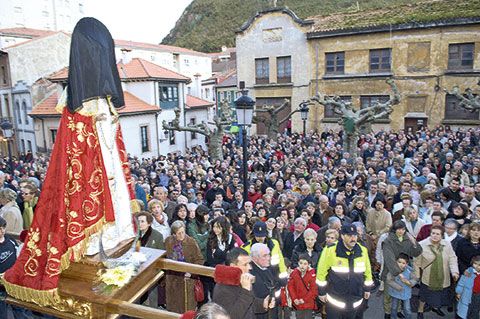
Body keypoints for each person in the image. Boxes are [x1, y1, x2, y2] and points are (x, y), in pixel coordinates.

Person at [3, 17, 139, 304]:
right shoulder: (75, 104)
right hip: (91, 177)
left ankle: (110, 242)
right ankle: (90, 247)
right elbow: (79, 155)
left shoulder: (104, 100)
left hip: (109, 169)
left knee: (114, 212)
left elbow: (112, 143)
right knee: (90, 205)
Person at [317, 224, 373, 318]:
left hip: (355, 300)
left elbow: (367, 272)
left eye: (354, 235)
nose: (353, 238)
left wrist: (367, 289)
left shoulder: (362, 251)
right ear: (342, 236)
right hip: (335, 301)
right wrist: (321, 292)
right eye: (349, 235)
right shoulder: (330, 250)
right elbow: (321, 272)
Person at [212, 248, 273, 319]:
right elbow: (232, 316)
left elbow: (249, 305)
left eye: (249, 263)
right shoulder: (222, 288)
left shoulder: (241, 279)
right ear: (233, 266)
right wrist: (246, 291)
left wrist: (263, 304)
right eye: (245, 264)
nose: (250, 267)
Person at [415, 225, 459, 318]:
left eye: (437, 234)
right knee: (424, 295)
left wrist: (454, 272)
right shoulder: (422, 244)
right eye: (433, 233)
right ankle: (420, 310)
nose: (434, 235)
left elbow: (452, 258)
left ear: (442, 235)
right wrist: (417, 275)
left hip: (442, 276)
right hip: (427, 276)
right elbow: (416, 262)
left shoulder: (447, 244)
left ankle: (435, 308)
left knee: (438, 295)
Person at [165, 220, 205, 313]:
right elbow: (165, 257)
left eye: (183, 232)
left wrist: (191, 272)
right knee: (173, 307)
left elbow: (199, 260)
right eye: (179, 233)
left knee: (187, 308)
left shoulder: (191, 242)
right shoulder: (168, 241)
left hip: (187, 280)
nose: (181, 235)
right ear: (174, 234)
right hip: (172, 279)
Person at [0, 216, 31, 318]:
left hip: (13, 282)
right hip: (1, 286)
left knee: (19, 310)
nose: (1, 231)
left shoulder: (11, 241)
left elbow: (18, 259)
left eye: (3, 228)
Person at [250, 243, 281, 319]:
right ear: (254, 258)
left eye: (269, 255)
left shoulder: (270, 268)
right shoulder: (250, 273)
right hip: (259, 314)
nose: (268, 258)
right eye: (264, 256)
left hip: (272, 311)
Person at [386, 253, 418, 319]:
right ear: (396, 261)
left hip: (406, 292)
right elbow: (389, 280)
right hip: (395, 291)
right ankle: (393, 317)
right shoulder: (393, 270)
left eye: (403, 263)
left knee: (407, 308)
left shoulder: (409, 271)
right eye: (399, 262)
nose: (401, 264)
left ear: (406, 264)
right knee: (394, 306)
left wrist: (408, 282)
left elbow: (415, 279)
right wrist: (398, 287)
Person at [287, 253, 318, 319]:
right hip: (298, 303)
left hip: (308, 303)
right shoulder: (294, 273)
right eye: (301, 263)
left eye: (305, 264)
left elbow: (313, 290)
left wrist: (304, 300)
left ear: (309, 265)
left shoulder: (312, 274)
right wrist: (294, 298)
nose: (302, 266)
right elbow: (290, 287)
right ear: (298, 263)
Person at [456, 255, 480, 319]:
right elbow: (461, 283)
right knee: (465, 309)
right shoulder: (468, 272)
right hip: (467, 294)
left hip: (478, 295)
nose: (477, 266)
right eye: (475, 264)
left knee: (475, 309)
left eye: (479, 265)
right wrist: (458, 292)